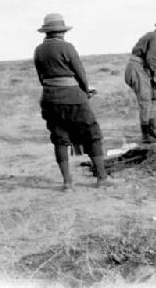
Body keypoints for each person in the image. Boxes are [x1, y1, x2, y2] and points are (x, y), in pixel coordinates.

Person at [34, 13, 108, 190]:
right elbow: (81, 73)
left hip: (49, 98)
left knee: (60, 139)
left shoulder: (38, 50)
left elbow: (41, 77)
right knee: (92, 134)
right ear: (61, 31)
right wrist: (86, 90)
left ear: (47, 32)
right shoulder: (67, 47)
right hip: (73, 97)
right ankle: (102, 178)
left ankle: (67, 182)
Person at [124, 18, 156, 143]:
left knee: (154, 97)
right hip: (138, 68)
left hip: (143, 68)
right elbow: (151, 59)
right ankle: (146, 135)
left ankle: (153, 130)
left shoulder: (153, 37)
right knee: (146, 100)